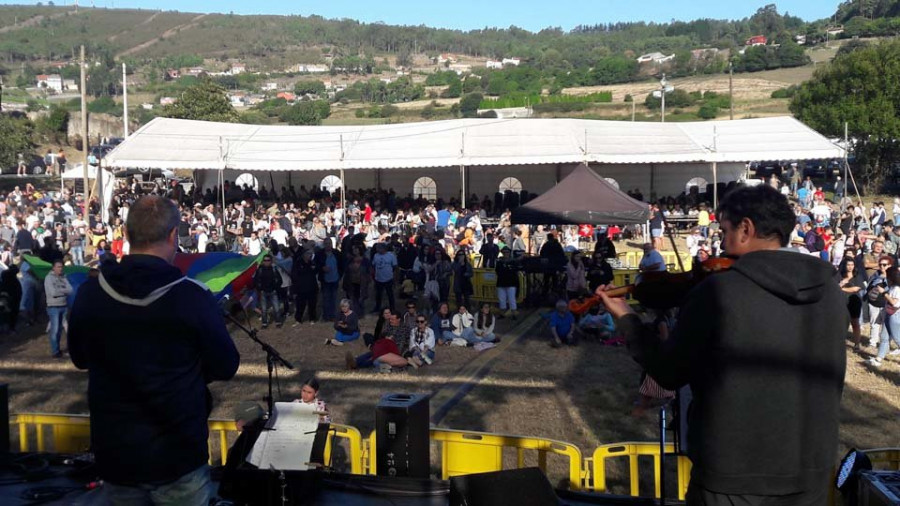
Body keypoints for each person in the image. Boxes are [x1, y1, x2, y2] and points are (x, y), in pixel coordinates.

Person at [597, 184, 846, 505]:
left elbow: (669, 372)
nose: (722, 245)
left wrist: (628, 320)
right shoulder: (830, 291)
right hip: (809, 470)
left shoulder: (719, 291)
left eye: (725, 230)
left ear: (746, 229)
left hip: (733, 473)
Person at [68, 195, 240, 505]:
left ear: (126, 233)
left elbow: (80, 358)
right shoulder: (190, 297)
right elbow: (225, 365)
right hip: (177, 457)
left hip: (116, 453)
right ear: (174, 235)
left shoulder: (91, 294)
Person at [869, 266, 900, 367]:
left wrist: (884, 293)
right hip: (888, 314)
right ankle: (878, 359)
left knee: (897, 338)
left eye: (887, 276)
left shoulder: (897, 289)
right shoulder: (891, 287)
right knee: (884, 337)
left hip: (894, 316)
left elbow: (895, 303)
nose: (886, 278)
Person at [44, 260, 72, 358]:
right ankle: (55, 351)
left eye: (61, 267)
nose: (60, 268)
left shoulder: (64, 277)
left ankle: (58, 349)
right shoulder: (48, 278)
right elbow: (53, 293)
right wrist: (64, 291)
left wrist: (60, 291)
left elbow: (70, 289)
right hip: (53, 307)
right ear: (53, 268)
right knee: (55, 330)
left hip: (64, 306)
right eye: (58, 267)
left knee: (60, 330)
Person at [838, 257, 865, 349]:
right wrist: (841, 284)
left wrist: (841, 289)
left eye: (852, 265)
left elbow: (856, 289)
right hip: (841, 301)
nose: (850, 267)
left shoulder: (857, 276)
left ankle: (857, 344)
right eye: (848, 265)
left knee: (855, 323)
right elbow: (833, 287)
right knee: (841, 323)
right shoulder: (839, 276)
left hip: (854, 302)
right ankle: (840, 342)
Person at [253, 254, 284, 329]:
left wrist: (276, 288)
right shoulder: (259, 270)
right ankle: (264, 323)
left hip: (273, 291)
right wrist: (260, 288)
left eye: (268, 260)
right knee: (263, 309)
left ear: (271, 261)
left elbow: (280, 280)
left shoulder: (274, 269)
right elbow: (255, 280)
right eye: (265, 260)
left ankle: (278, 322)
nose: (266, 262)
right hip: (263, 292)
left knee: (276, 308)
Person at [372, 243, 397, 313]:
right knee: (378, 295)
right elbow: (373, 265)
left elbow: (395, 267)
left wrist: (394, 278)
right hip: (378, 278)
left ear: (384, 248)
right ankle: (377, 307)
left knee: (390, 294)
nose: (377, 250)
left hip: (388, 278)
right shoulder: (375, 255)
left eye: (378, 248)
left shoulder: (391, 255)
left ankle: (392, 308)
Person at [495, 247, 519, 319]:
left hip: (511, 283)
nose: (506, 254)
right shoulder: (499, 262)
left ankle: (514, 314)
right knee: (502, 299)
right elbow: (497, 271)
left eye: (507, 252)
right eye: (504, 252)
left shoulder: (513, 261)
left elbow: (515, 271)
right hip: (501, 282)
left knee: (511, 299)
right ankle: (502, 313)